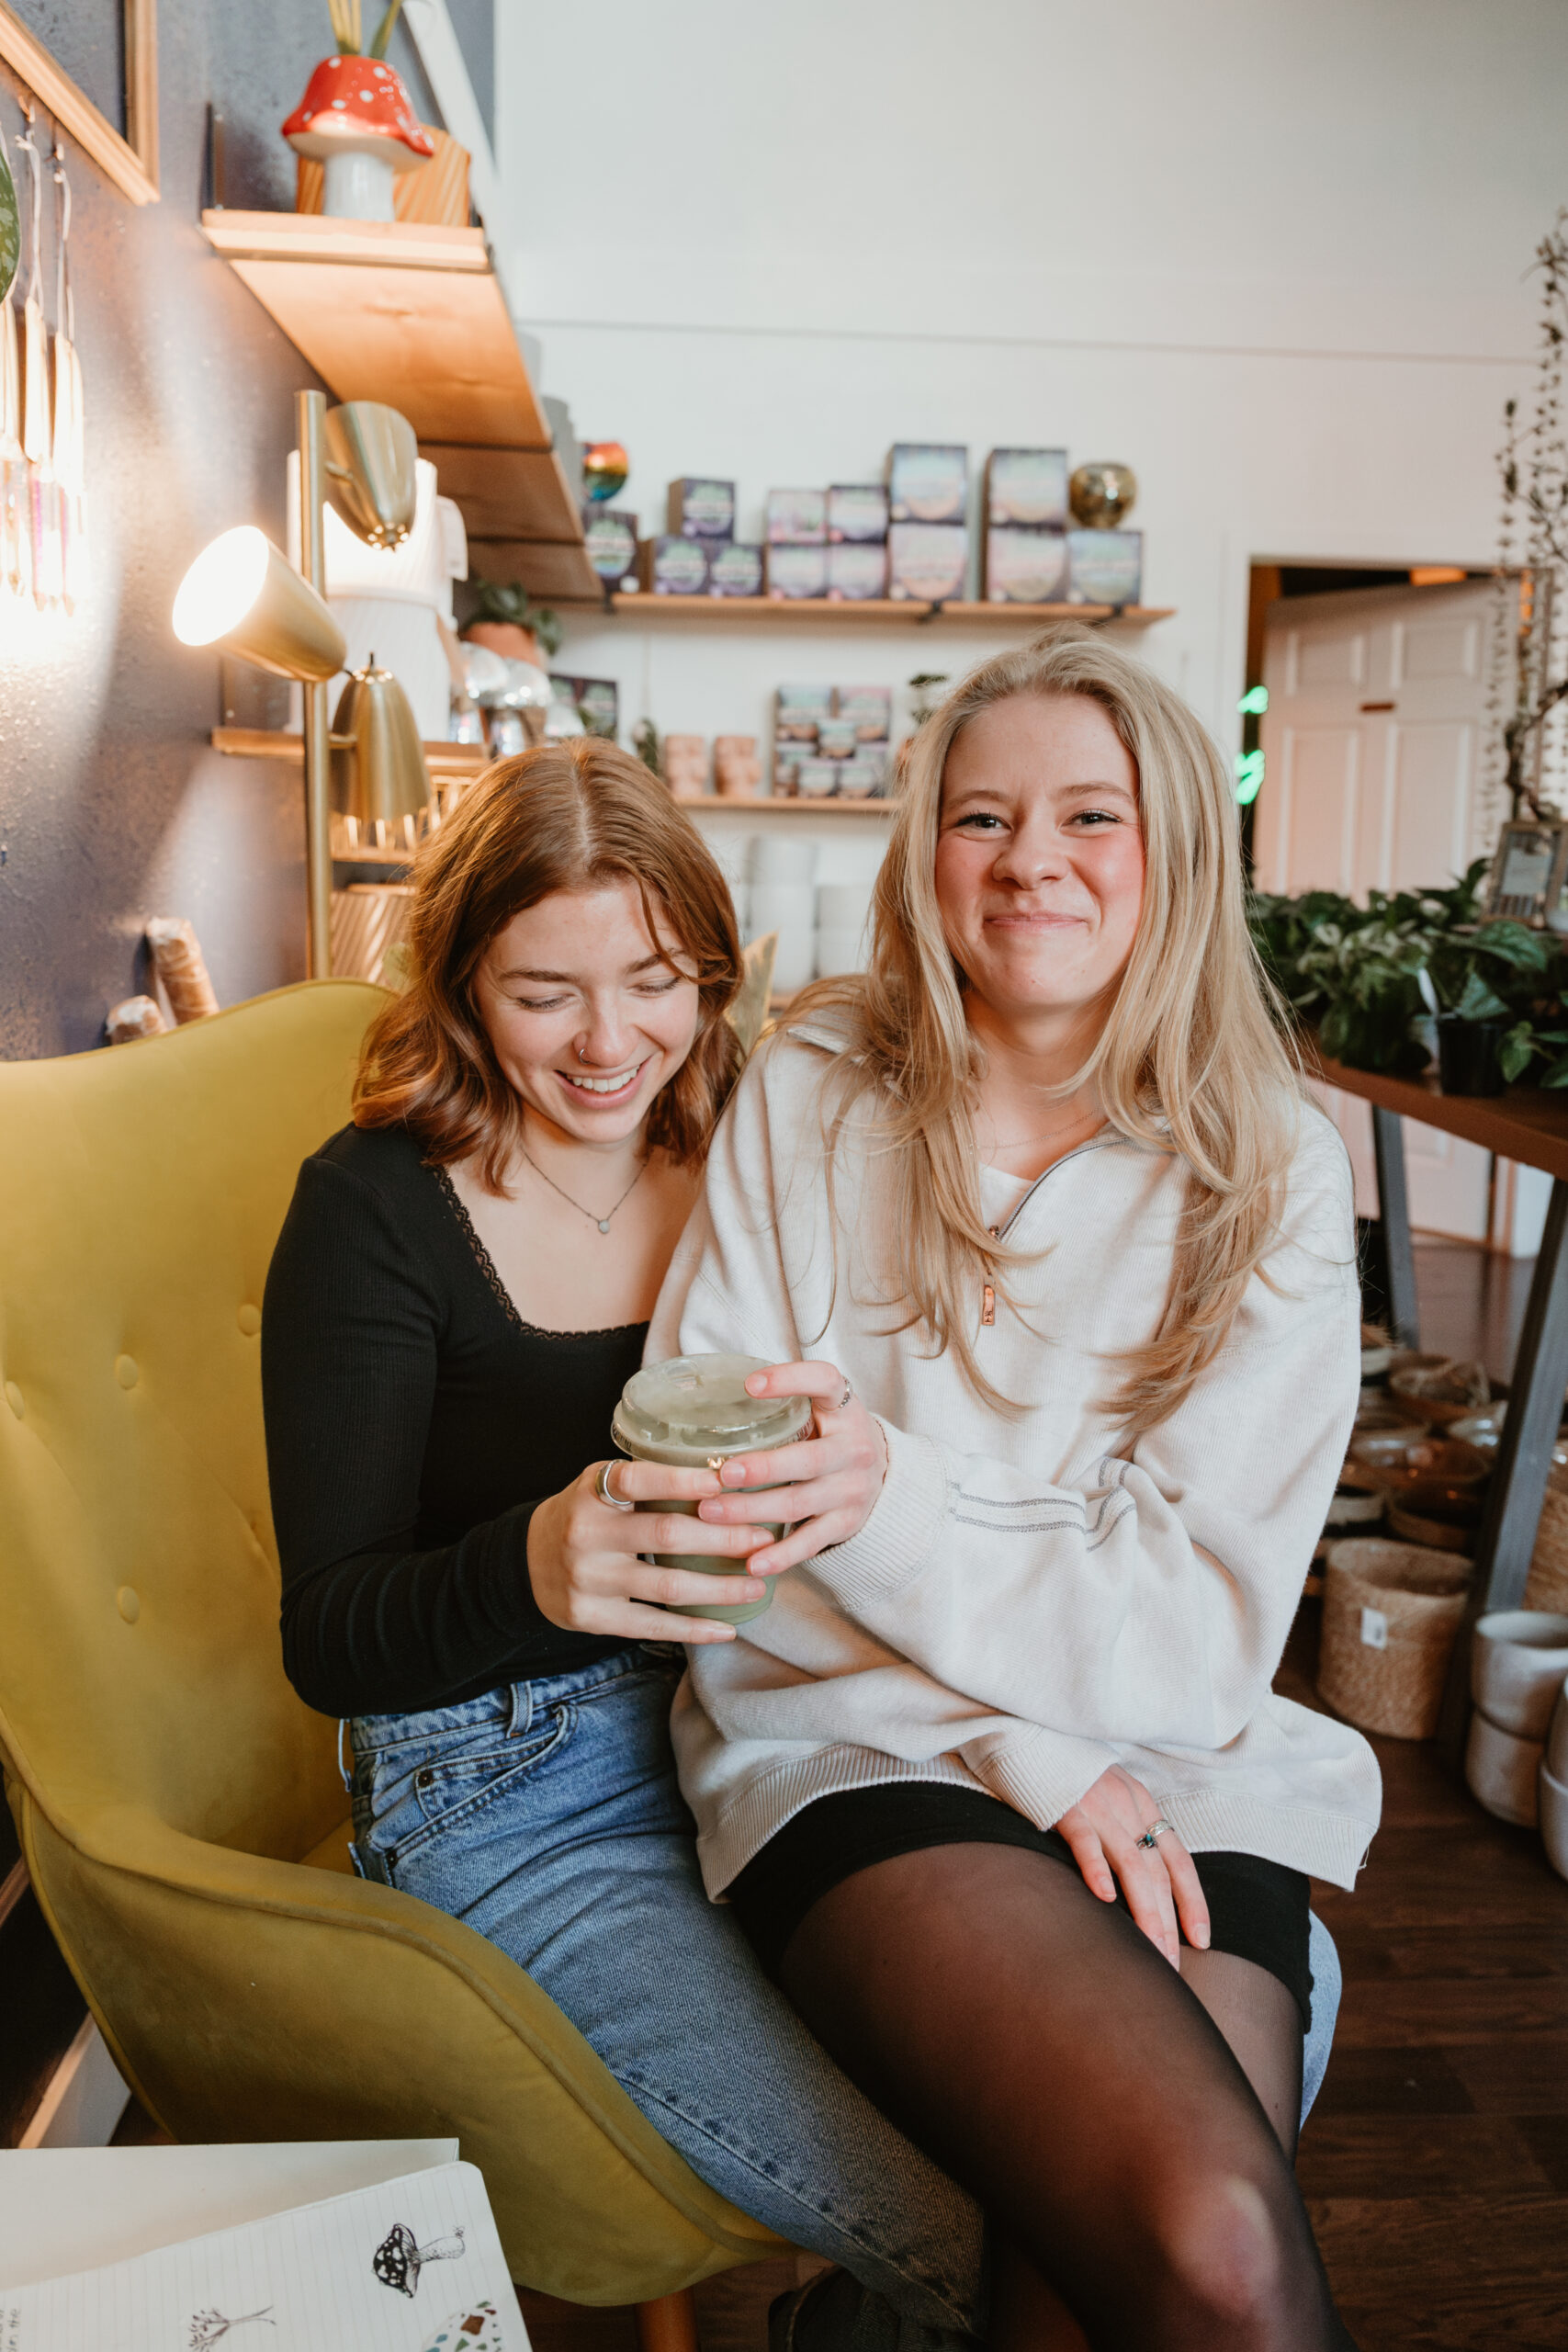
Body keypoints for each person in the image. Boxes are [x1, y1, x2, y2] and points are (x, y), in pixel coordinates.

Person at [647, 632, 1382, 2351]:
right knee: (1198, 2222)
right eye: (981, 816)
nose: (1030, 858)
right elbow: (729, 1508)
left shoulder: (1268, 1165)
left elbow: (1201, 1623)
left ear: (1177, 848)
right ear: (926, 853)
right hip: (854, 1734)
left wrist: (884, 1490)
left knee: (1178, 2258)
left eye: (1089, 816)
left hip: (1171, 1759)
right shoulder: (813, 1092)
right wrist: (1027, 1750)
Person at [260, 741, 982, 2350]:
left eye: (655, 981)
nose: (608, 1046)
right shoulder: (376, 1208)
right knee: (984, 2222)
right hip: (504, 1791)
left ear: (711, 970)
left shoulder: (752, 1138)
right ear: (458, 985)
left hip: (779, 1713)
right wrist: (525, 1567)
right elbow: (327, 1635)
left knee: (1172, 2065)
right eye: (541, 995)